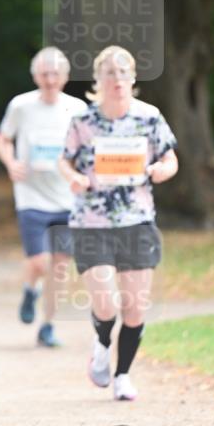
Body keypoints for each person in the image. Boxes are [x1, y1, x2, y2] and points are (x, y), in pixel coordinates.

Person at [58, 45, 178, 401]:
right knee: (106, 302)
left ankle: (123, 374)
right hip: (91, 221)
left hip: (137, 221)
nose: (117, 80)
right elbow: (64, 162)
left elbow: (170, 158)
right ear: (97, 80)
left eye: (123, 73)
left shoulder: (149, 117)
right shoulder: (83, 121)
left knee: (136, 305)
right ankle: (101, 341)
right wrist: (74, 178)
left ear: (133, 79)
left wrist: (161, 170)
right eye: (109, 73)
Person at [0, 48, 86, 347]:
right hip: (31, 197)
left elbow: (88, 148)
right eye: (44, 74)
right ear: (35, 76)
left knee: (60, 266)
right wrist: (11, 163)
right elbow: (3, 138)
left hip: (67, 199)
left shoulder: (78, 108)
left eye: (55, 73)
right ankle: (30, 290)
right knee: (38, 263)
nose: (50, 79)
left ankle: (48, 326)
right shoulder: (21, 105)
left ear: (65, 76)